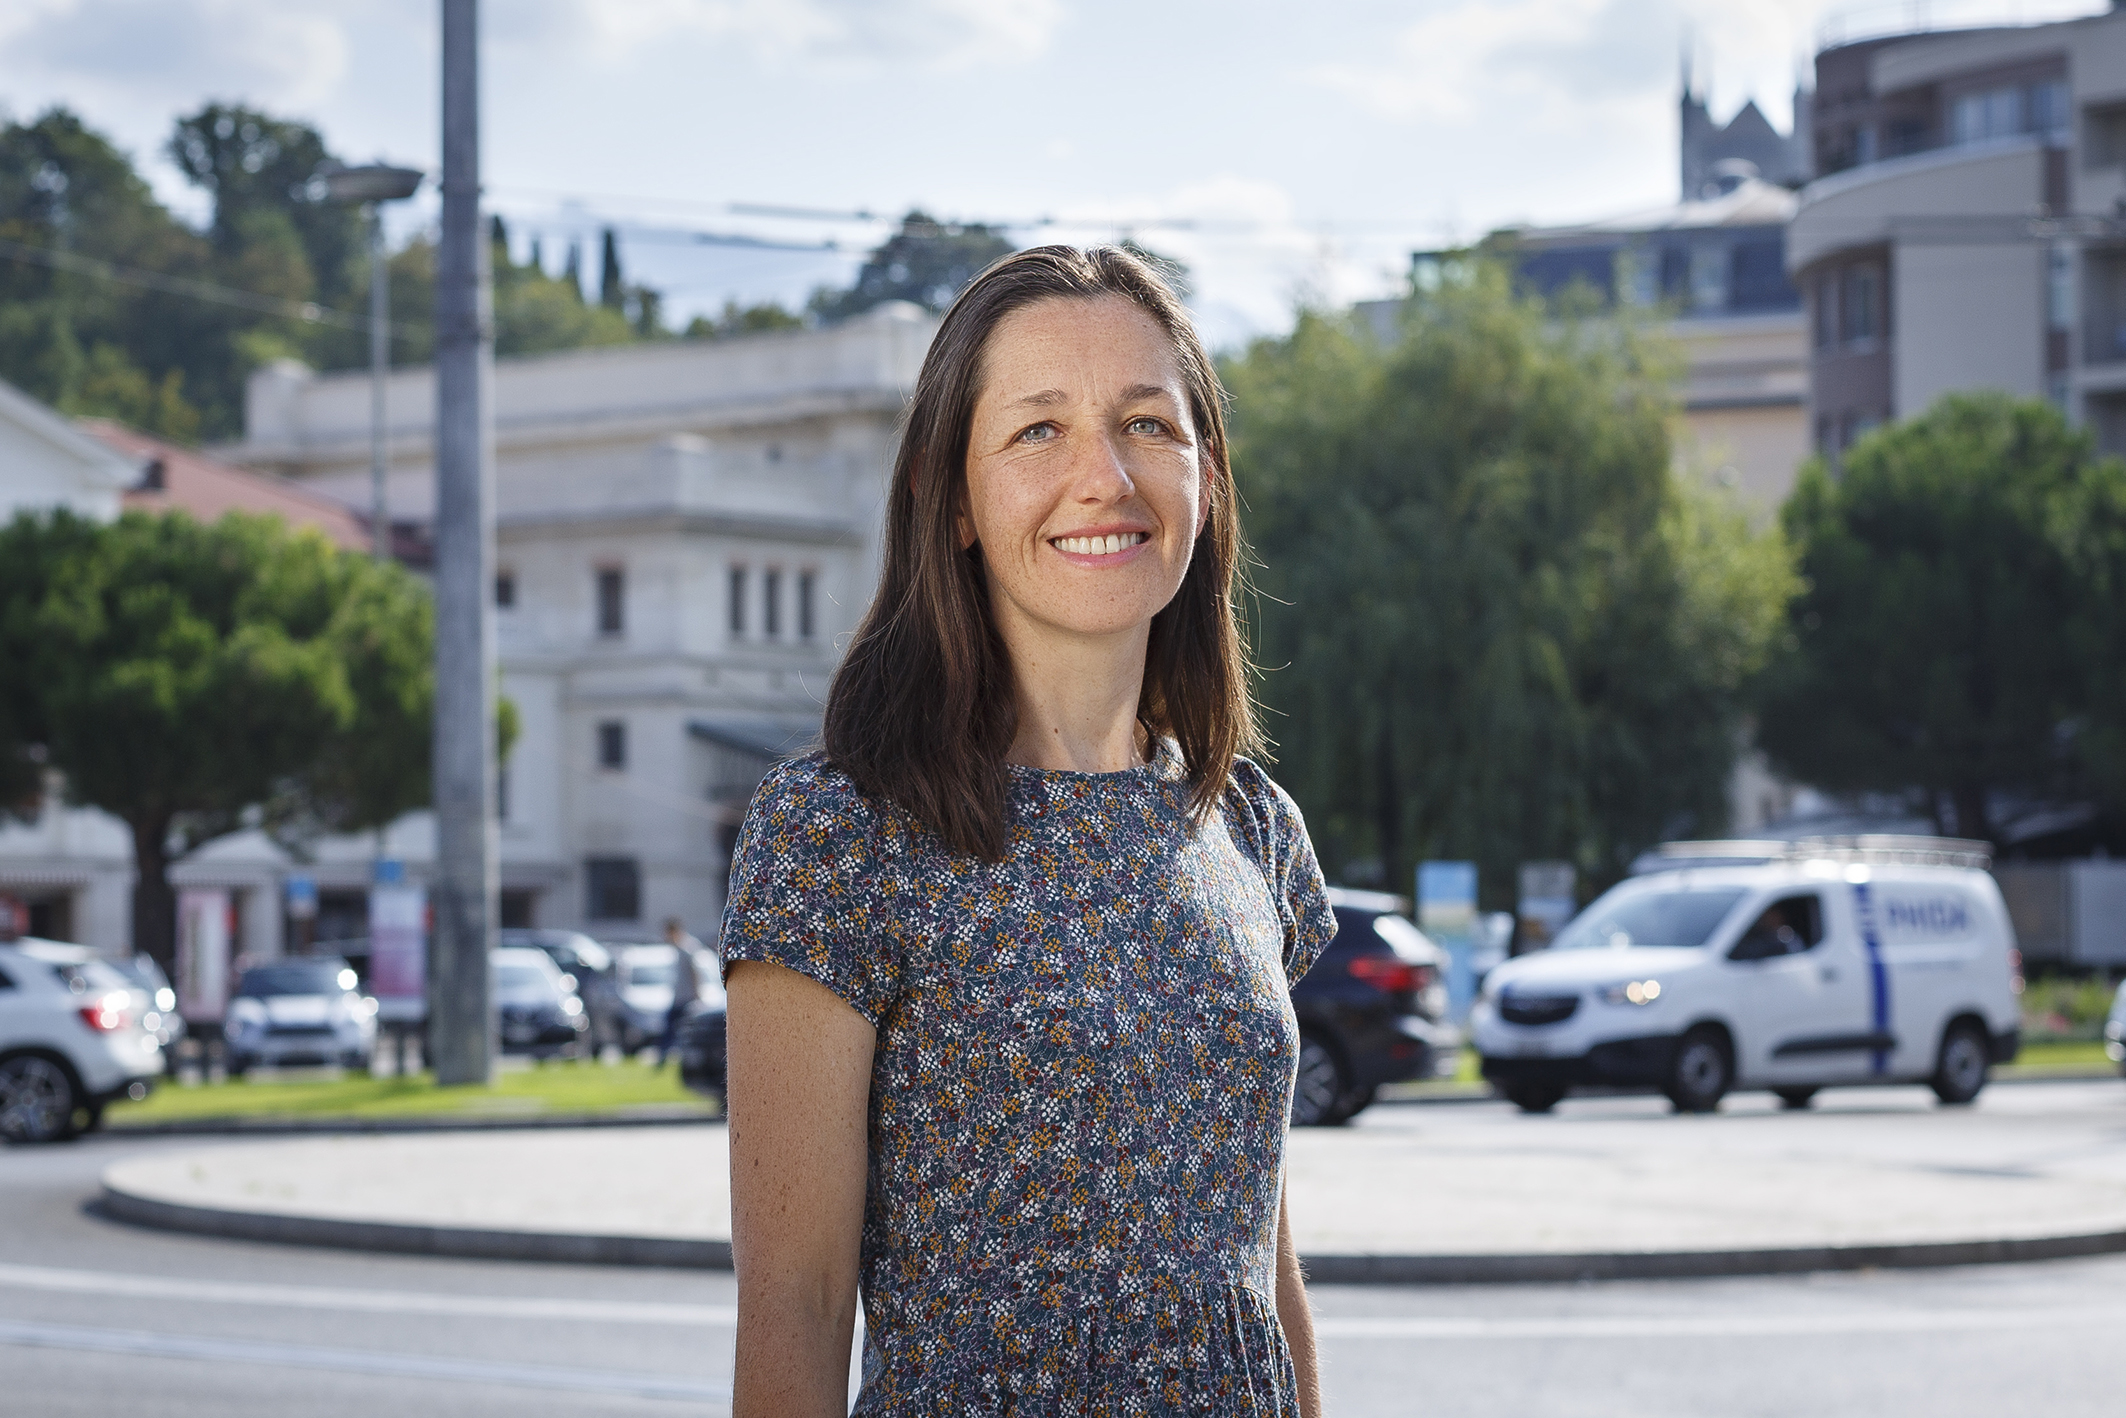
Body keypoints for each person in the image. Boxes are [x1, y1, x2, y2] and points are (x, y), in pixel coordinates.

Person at [722, 246, 1332, 1416]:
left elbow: (1263, 1272)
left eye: (1148, 423)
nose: (1103, 474)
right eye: (1038, 430)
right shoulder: (838, 833)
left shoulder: (1249, 823)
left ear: (1203, 477)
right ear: (952, 497)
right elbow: (794, 1305)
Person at [656, 916, 702, 1067]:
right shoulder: (677, 948)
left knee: (679, 1030)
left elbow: (694, 973)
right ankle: (665, 1057)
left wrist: (696, 995)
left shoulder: (686, 948)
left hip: (686, 998)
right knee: (671, 1029)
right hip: (679, 997)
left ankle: (671, 1057)